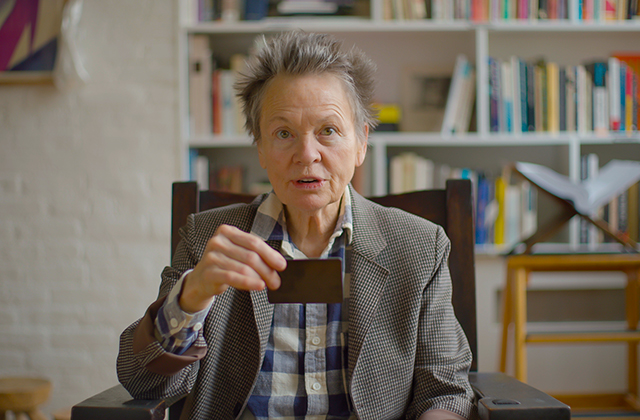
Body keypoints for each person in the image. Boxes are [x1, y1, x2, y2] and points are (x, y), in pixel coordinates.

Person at [117, 31, 476, 420]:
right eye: (284, 133)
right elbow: (143, 382)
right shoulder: (207, 239)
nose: (307, 155)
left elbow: (445, 389)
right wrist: (192, 298)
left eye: (328, 130)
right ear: (260, 148)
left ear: (361, 143)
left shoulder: (420, 247)